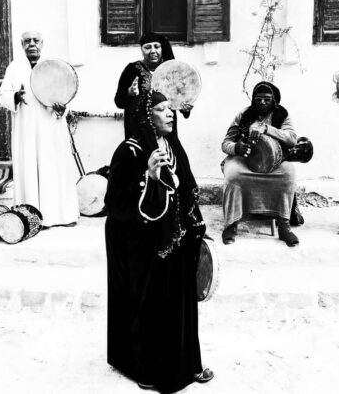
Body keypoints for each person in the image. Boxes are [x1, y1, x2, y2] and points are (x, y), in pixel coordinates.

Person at [104, 90, 213, 393]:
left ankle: (188, 363)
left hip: (173, 235)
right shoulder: (130, 152)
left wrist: (195, 224)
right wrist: (149, 179)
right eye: (162, 109)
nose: (170, 114)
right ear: (145, 117)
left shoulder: (172, 145)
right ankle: (146, 367)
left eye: (170, 109)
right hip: (138, 241)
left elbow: (186, 188)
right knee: (150, 303)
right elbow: (115, 204)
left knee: (180, 299)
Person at [0, 31, 79, 227]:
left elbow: (67, 93)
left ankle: (60, 216)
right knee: (29, 170)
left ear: (42, 43)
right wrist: (16, 97)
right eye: (27, 41)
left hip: (52, 127)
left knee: (54, 169)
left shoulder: (54, 66)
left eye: (36, 40)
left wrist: (63, 108)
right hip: (26, 130)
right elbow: (2, 95)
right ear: (21, 44)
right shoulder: (14, 68)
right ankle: (31, 216)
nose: (32, 44)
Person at [221, 81, 299, 247]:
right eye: (258, 99)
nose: (262, 102)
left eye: (267, 99)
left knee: (288, 174)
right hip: (244, 159)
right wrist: (236, 148)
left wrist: (267, 129)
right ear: (253, 100)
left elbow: (292, 139)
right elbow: (226, 143)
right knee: (233, 175)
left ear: (274, 101)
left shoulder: (282, 115)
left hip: (274, 161)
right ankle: (231, 224)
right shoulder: (243, 115)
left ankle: (284, 225)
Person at [114, 32, 192, 138]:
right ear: (141, 49)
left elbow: (178, 101)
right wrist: (130, 93)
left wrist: (185, 109)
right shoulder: (131, 69)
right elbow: (119, 102)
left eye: (156, 46)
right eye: (147, 47)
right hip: (140, 131)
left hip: (166, 131)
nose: (153, 51)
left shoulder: (171, 70)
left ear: (162, 48)